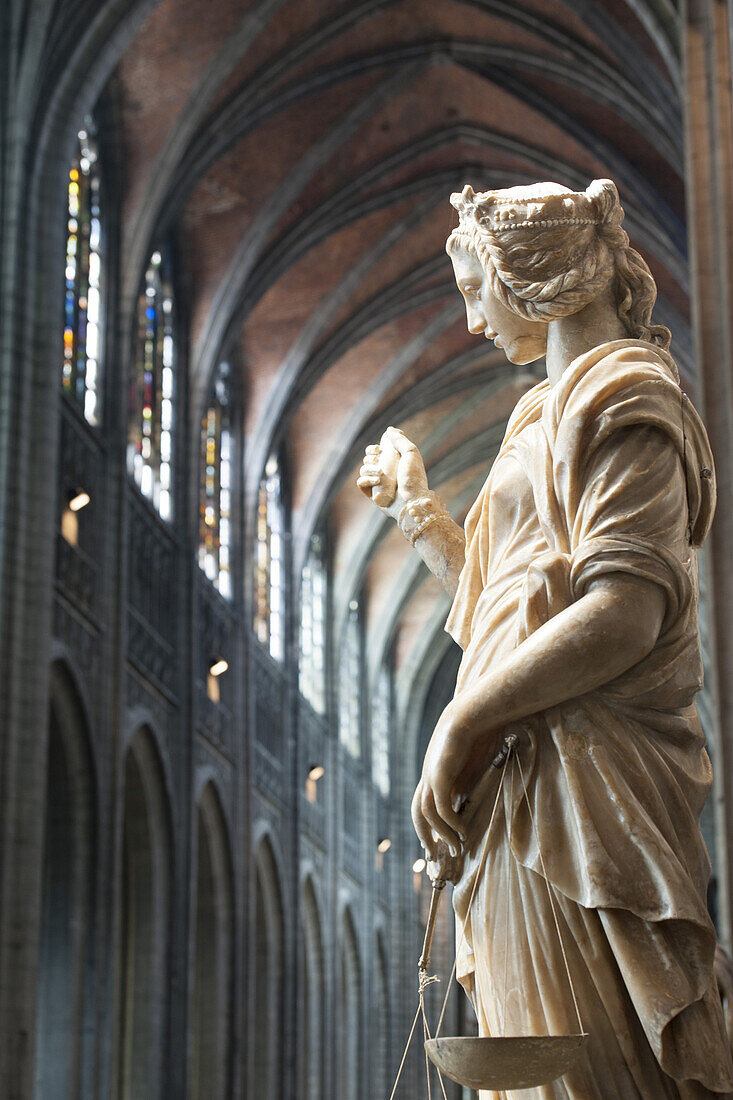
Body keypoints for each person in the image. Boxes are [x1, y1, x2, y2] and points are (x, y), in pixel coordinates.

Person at [358, 180, 733, 1098]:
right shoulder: (536, 413)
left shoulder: (625, 393)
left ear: (535, 280)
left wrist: (459, 725)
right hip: (521, 782)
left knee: (595, 1066)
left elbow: (621, 612)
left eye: (476, 295)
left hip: (586, 780)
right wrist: (419, 512)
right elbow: (502, 609)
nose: (474, 325)